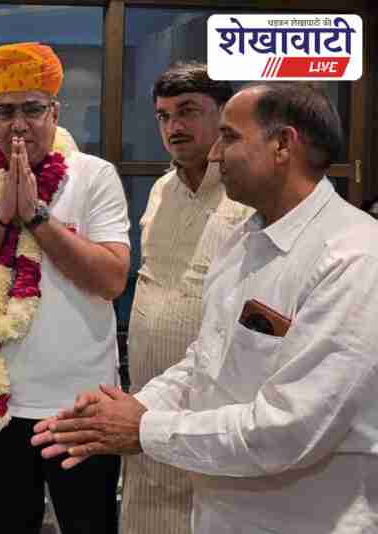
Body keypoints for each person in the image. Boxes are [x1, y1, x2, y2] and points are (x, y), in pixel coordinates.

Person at [33, 82, 378, 533]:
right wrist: (127, 409)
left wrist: (144, 429)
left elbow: (290, 428)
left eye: (230, 137)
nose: (215, 153)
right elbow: (205, 361)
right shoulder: (242, 242)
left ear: (283, 145)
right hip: (220, 514)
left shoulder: (353, 257)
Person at [0, 43, 131, 534]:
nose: (18, 124)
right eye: (4, 111)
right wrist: (3, 216)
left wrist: (37, 217)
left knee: (90, 524)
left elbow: (110, 279)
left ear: (55, 111)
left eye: (32, 109)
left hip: (82, 405)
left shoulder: (94, 176)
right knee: (8, 526)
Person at [120, 62, 251, 534]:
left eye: (188, 112)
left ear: (224, 115)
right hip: (150, 398)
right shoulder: (159, 191)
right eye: (163, 116)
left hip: (219, 407)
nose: (174, 127)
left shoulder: (250, 196)